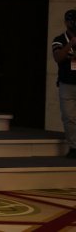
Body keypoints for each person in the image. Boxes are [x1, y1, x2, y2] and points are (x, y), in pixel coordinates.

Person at [51, 9, 76, 158]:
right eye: (71, 21)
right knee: (69, 117)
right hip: (66, 84)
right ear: (66, 22)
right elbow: (57, 57)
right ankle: (74, 146)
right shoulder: (59, 39)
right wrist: (70, 45)